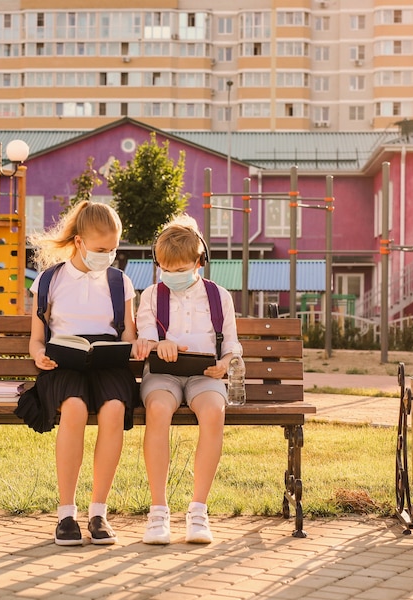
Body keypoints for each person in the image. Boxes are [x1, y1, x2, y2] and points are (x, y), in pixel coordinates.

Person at [15, 200, 147, 546]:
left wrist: (138, 346)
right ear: (78, 242)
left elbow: (128, 336)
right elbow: (37, 339)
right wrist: (39, 355)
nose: (109, 255)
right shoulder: (49, 281)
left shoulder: (120, 282)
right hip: (64, 361)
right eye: (101, 249)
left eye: (113, 248)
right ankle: (66, 515)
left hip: (107, 361)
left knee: (115, 409)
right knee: (72, 408)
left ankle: (99, 512)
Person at [135, 215, 242, 544]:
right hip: (163, 375)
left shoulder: (218, 295)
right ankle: (158, 511)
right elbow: (145, 339)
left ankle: (198, 510)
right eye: (167, 270)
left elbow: (232, 347)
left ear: (199, 262)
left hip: (204, 375)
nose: (173, 277)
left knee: (213, 412)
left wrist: (224, 364)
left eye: (181, 270)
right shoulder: (152, 295)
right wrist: (156, 345)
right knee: (157, 410)